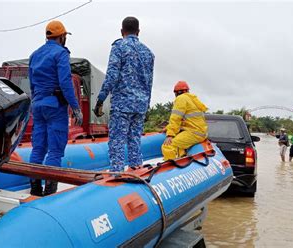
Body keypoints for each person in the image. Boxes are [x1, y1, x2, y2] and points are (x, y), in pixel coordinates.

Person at [28, 20, 83, 196]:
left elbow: (32, 84)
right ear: (62, 37)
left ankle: (35, 188)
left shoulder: (34, 55)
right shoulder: (61, 53)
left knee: (38, 148)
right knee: (55, 150)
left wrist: (36, 101)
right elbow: (65, 82)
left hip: (37, 105)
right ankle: (50, 191)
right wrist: (75, 107)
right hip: (54, 106)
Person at [93, 16, 154, 172]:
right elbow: (149, 83)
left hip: (122, 104)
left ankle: (117, 173)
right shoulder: (148, 53)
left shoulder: (119, 47)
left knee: (117, 142)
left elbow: (112, 76)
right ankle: (136, 169)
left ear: (122, 31)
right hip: (140, 105)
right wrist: (146, 105)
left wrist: (100, 100)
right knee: (135, 140)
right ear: (138, 32)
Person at [161, 81, 208, 161]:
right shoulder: (192, 99)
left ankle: (170, 168)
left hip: (193, 133)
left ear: (176, 93)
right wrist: (167, 128)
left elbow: (176, 118)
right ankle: (181, 159)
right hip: (201, 132)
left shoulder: (181, 99)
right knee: (179, 145)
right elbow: (185, 120)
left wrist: (170, 135)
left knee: (168, 145)